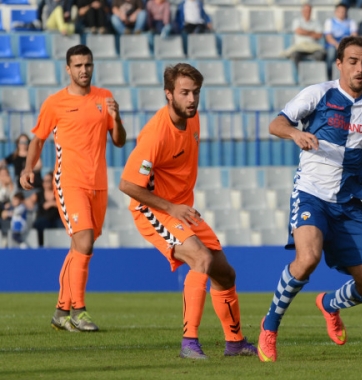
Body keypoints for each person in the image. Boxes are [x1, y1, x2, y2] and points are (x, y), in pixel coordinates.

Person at [257, 36, 362, 363]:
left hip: (351, 205)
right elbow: (276, 123)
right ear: (339, 63)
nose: (359, 67)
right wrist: (295, 133)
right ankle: (270, 327)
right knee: (307, 258)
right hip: (312, 194)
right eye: (352, 61)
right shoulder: (318, 93)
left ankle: (329, 304)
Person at [119, 64, 256, 360]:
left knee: (225, 273)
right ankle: (189, 343)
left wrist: (179, 207)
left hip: (182, 209)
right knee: (202, 259)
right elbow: (128, 184)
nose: (192, 99)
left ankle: (235, 343)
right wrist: (171, 207)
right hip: (153, 208)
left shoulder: (192, 119)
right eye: (184, 93)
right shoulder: (156, 134)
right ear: (168, 94)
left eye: (195, 92)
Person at [21, 45, 127, 333]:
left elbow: (119, 140)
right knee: (85, 242)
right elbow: (38, 139)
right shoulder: (55, 103)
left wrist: (116, 119)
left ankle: (60, 311)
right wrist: (28, 168)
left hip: (98, 184)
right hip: (69, 181)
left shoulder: (104, 98)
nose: (84, 70)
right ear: (68, 69)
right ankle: (79, 311)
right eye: (78, 65)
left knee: (78, 247)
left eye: (88, 65)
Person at [324, 4, 358, 79]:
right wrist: (337, 45)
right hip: (333, 45)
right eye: (340, 11)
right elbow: (328, 37)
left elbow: (354, 36)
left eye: (344, 11)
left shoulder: (351, 22)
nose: (342, 13)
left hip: (347, 45)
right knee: (331, 54)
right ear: (336, 12)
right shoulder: (330, 22)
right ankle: (329, 76)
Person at [33, 172, 64, 247]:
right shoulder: (39, 194)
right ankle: (40, 246)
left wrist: (53, 203)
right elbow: (28, 203)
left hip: (56, 219)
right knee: (39, 224)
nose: (46, 183)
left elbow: (66, 205)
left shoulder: (59, 193)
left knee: (63, 226)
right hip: (44, 219)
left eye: (48, 181)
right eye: (44, 181)